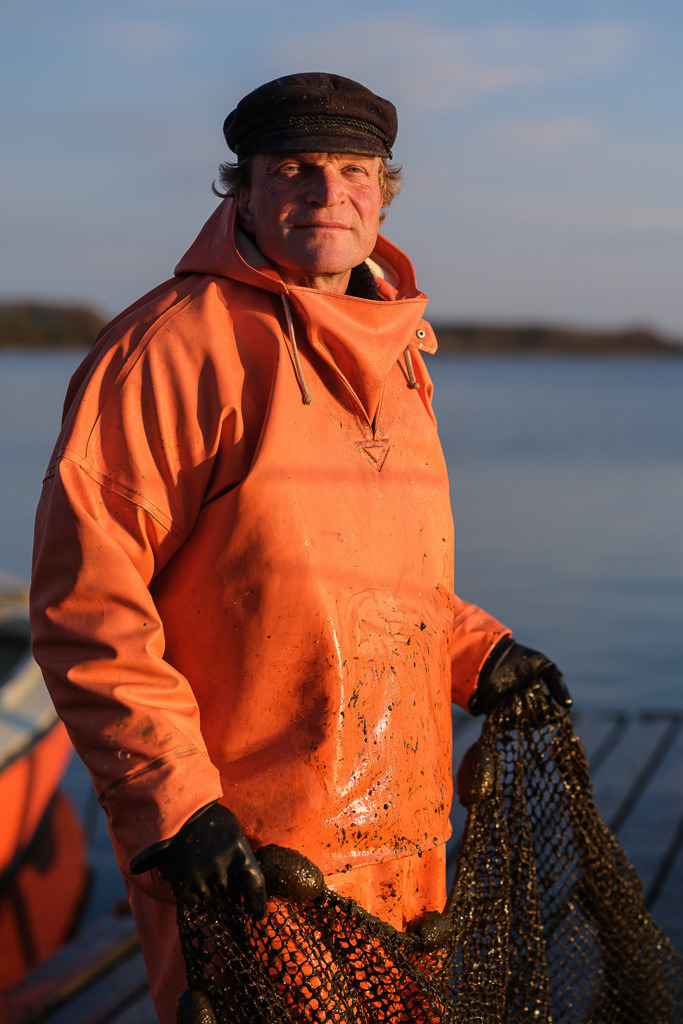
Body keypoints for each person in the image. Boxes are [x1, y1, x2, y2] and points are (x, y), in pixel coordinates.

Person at [30, 72, 570, 1022]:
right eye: (293, 169)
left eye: (354, 171)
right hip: (246, 850)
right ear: (241, 190)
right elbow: (88, 608)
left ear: (383, 194)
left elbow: (369, 567)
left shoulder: (398, 349)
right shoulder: (168, 350)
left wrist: (475, 652)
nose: (328, 193)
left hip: (404, 835)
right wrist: (175, 805)